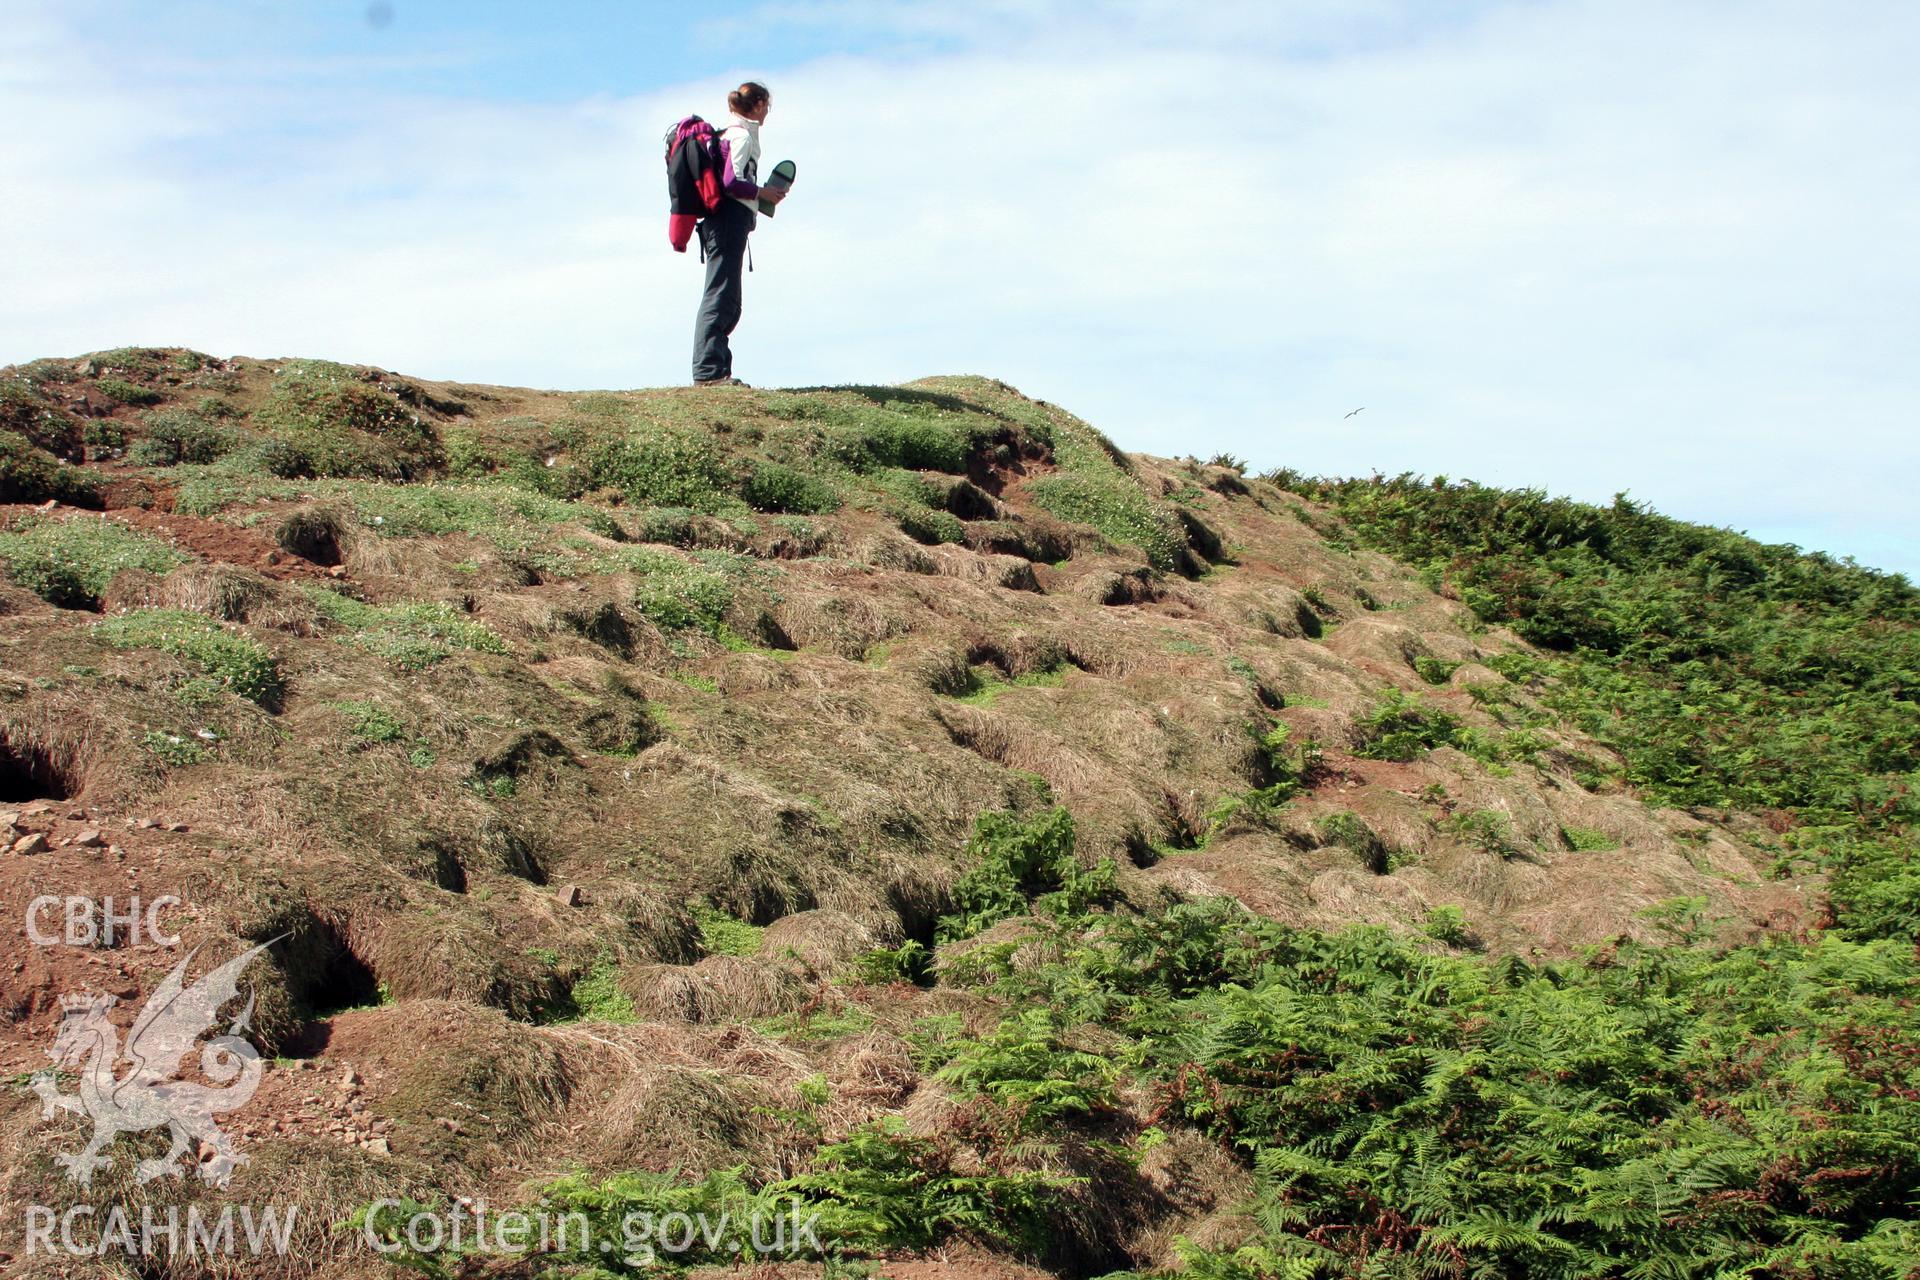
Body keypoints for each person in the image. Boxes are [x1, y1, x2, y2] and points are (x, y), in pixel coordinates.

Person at [692, 81, 785, 387]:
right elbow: (731, 182)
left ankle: (717, 371)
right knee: (721, 295)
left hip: (724, 221)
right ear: (758, 105)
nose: (768, 112)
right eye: (767, 106)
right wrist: (763, 193)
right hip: (728, 220)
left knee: (727, 296)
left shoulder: (729, 134)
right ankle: (709, 372)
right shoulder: (741, 136)